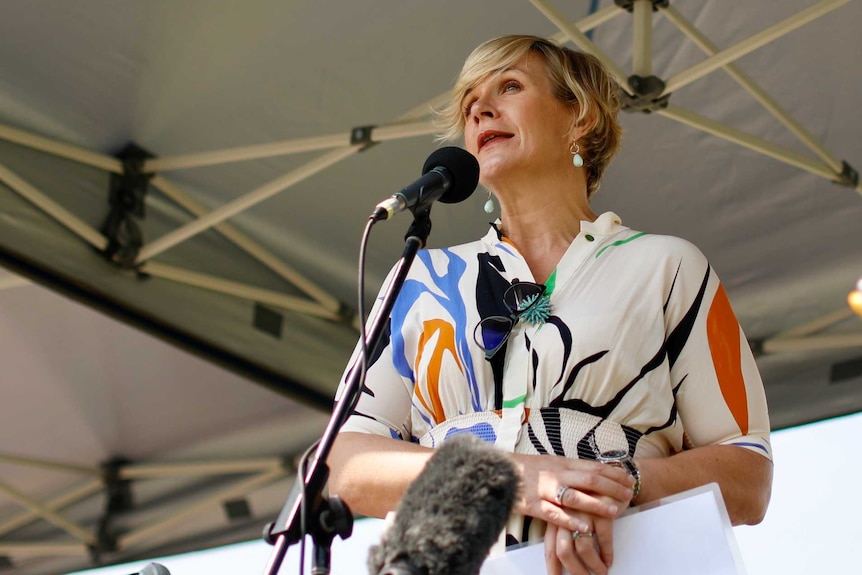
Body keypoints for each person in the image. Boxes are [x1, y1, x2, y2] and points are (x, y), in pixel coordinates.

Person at [328, 35, 772, 575]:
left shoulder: (667, 267)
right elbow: (344, 465)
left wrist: (614, 487)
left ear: (579, 116)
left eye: (509, 87)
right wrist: (513, 478)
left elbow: (748, 474)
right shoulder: (420, 279)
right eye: (470, 104)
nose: (480, 110)